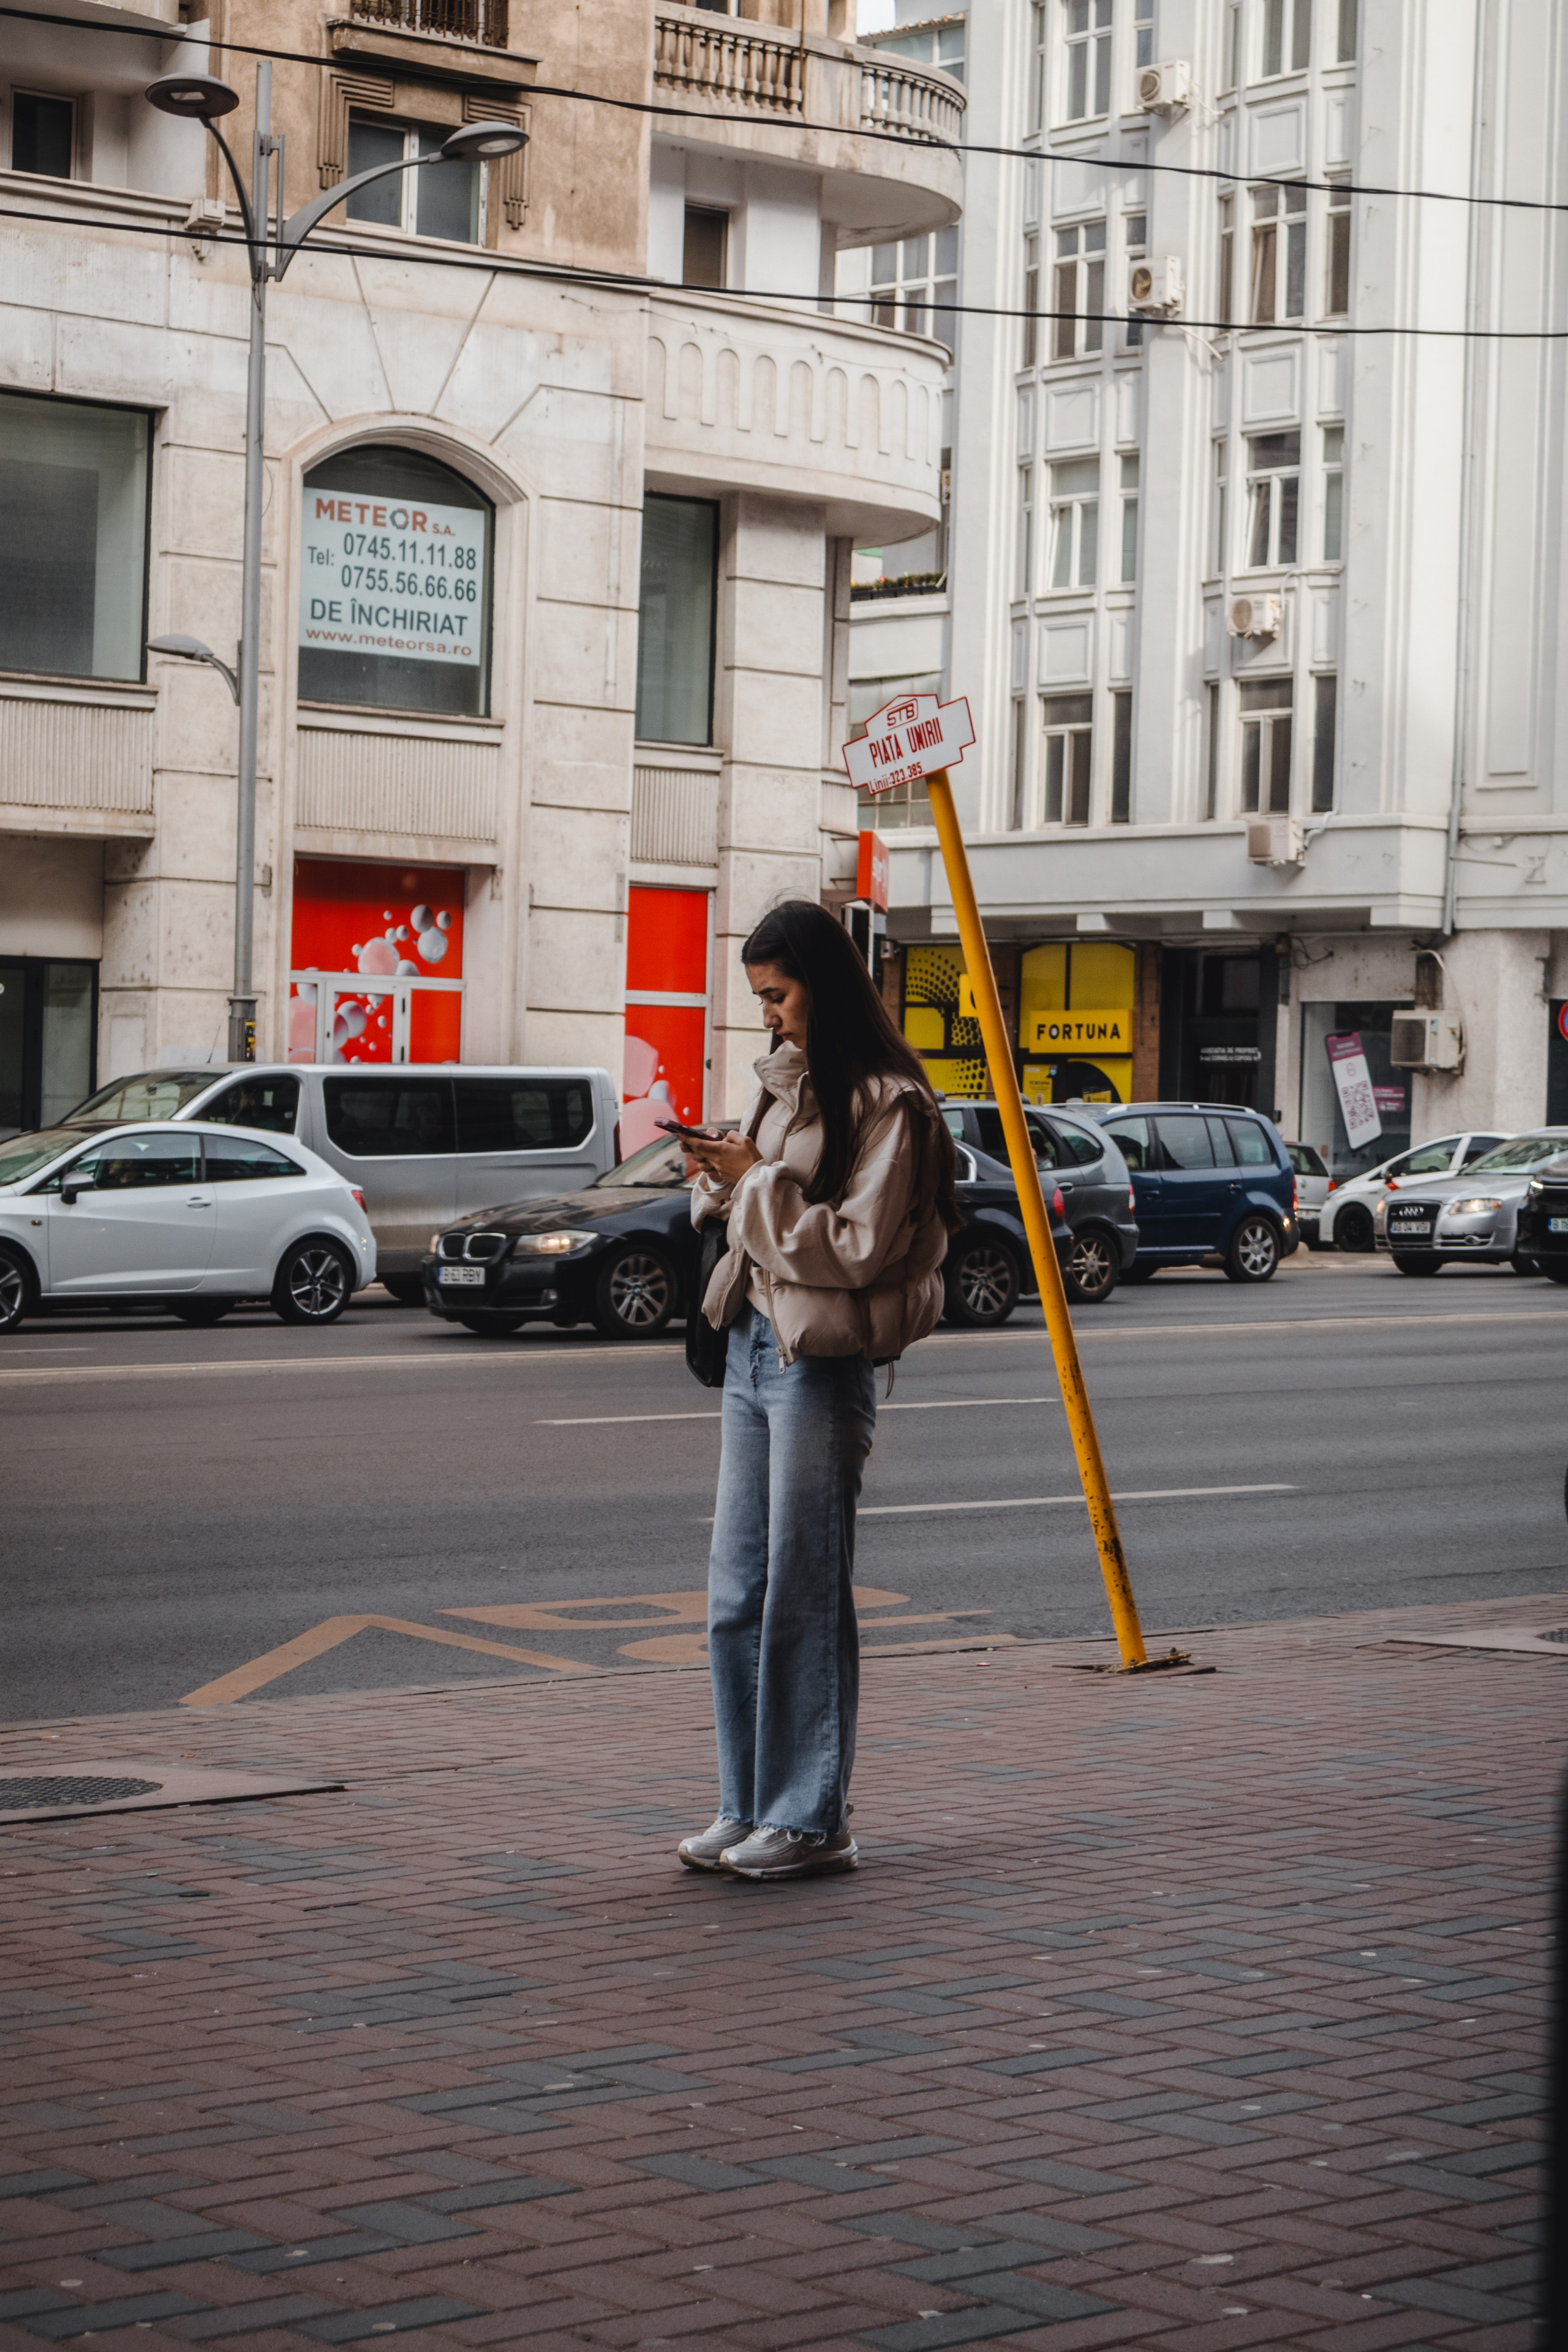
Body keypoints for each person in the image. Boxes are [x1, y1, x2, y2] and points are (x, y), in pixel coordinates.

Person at [677, 900, 960, 1882]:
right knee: (735, 1594)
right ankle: (746, 1803)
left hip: (822, 1359)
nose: (769, 1016)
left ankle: (811, 1819)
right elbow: (767, 1214)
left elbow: (851, 1249)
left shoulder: (891, 1103)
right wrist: (723, 1177)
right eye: (759, 999)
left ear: (824, 986)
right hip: (754, 1344)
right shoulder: (784, 1089)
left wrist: (753, 1182)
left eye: (780, 995)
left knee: (803, 1588)